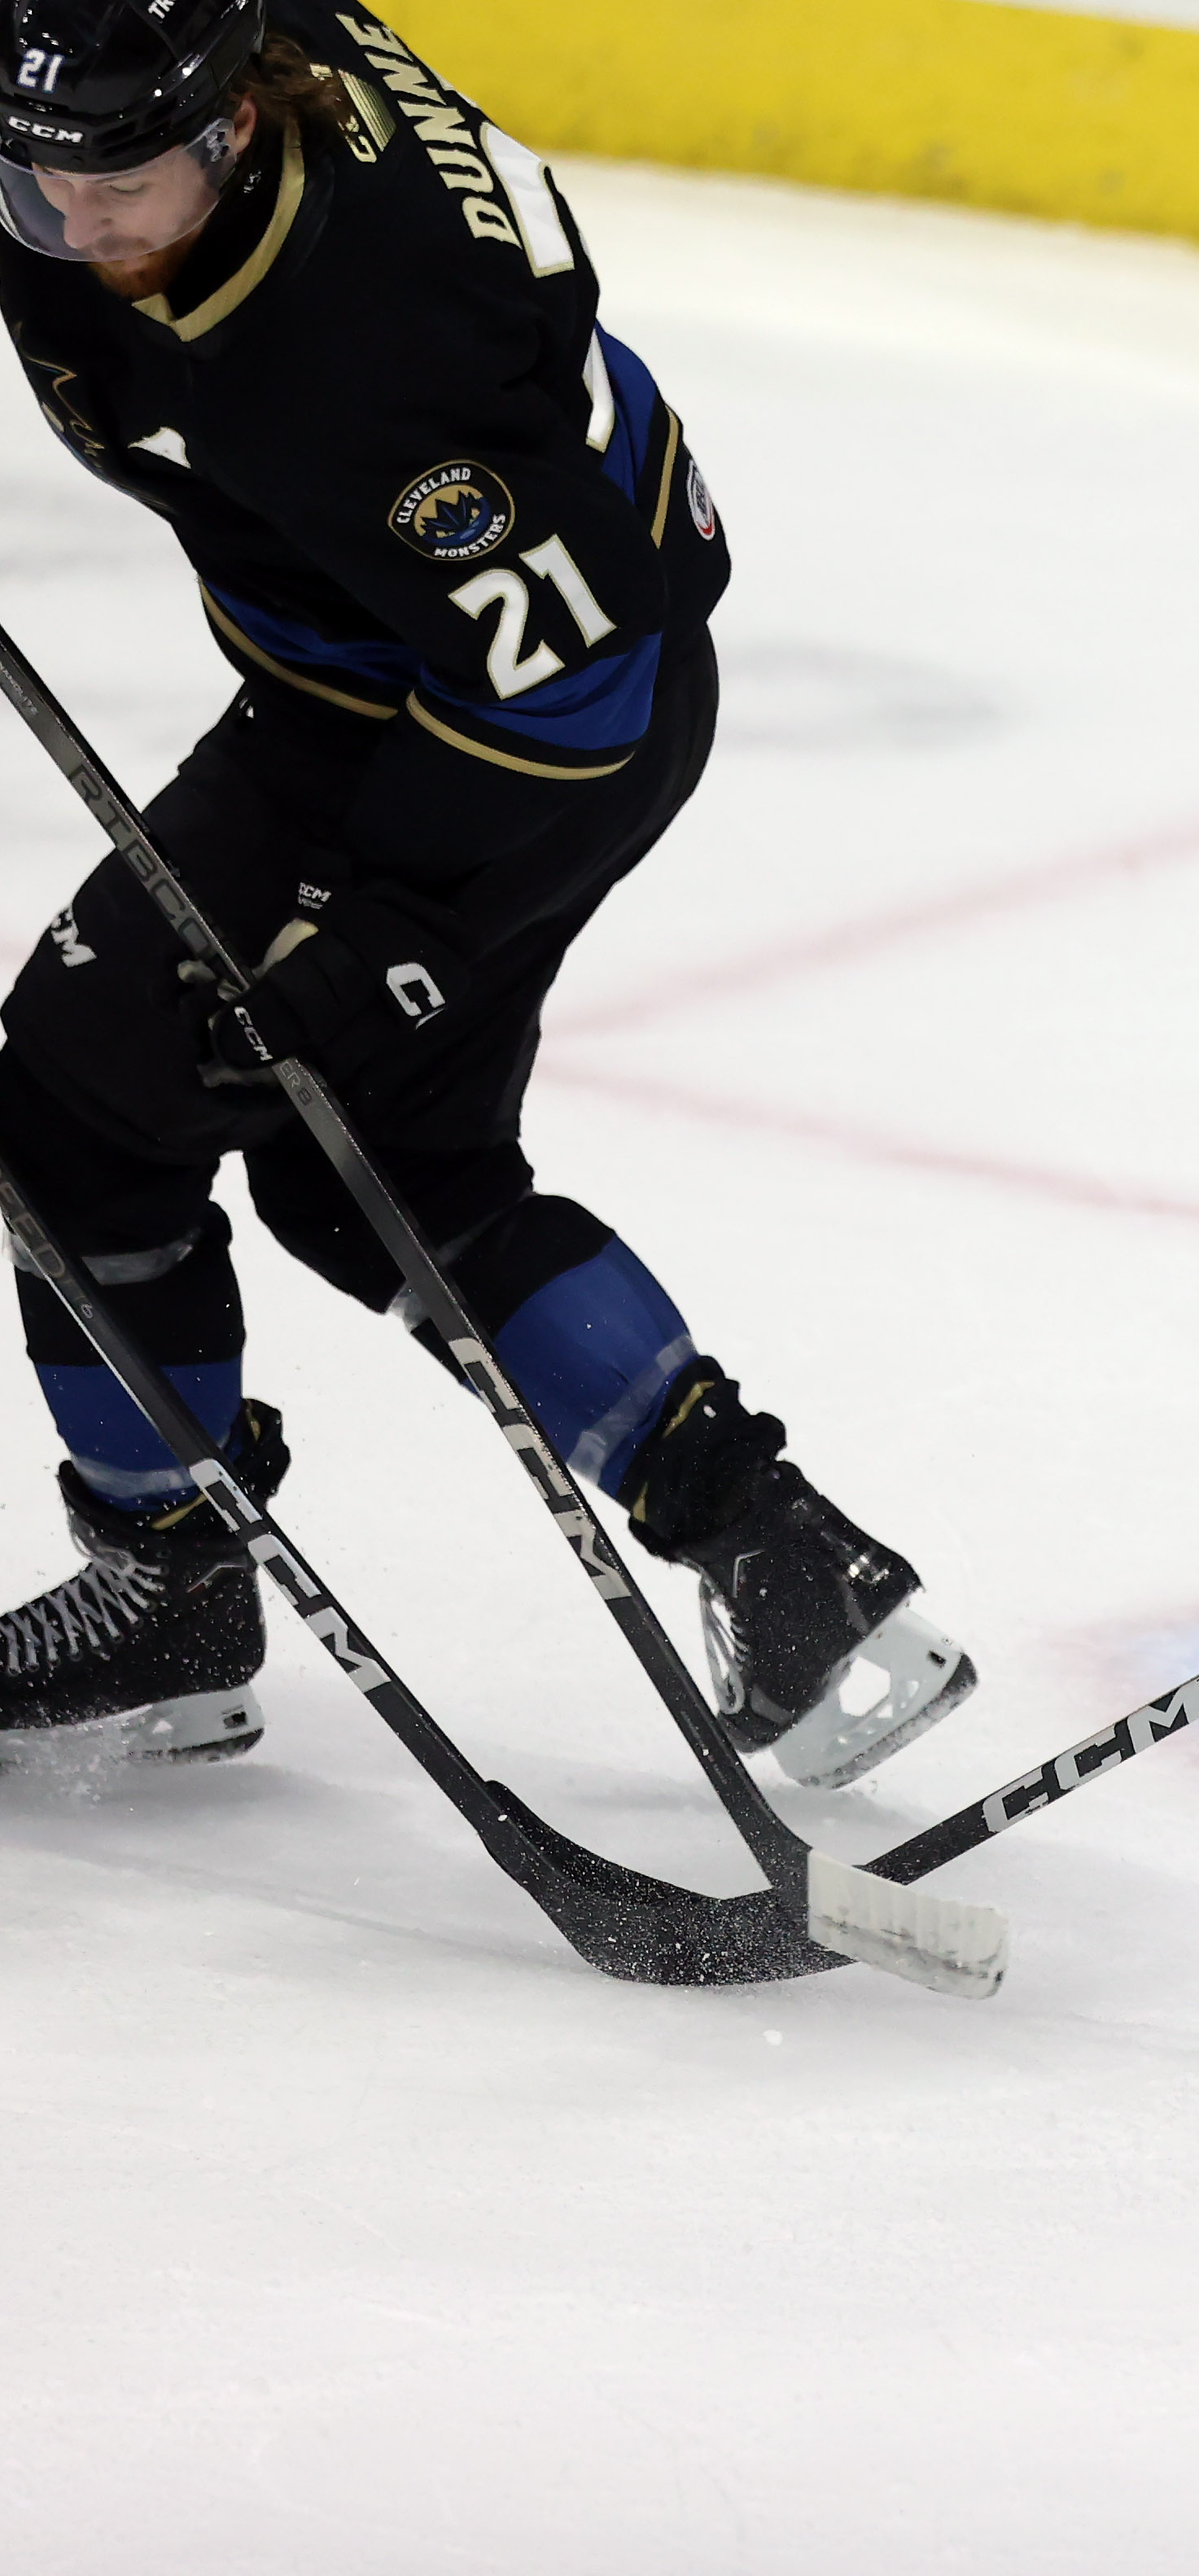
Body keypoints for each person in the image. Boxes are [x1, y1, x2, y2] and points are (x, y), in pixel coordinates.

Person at [0, 2, 973, 1787]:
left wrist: (395, 944)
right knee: (366, 1166)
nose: (72, 226)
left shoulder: (362, 345)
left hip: (508, 736)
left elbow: (572, 677)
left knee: (93, 1094)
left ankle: (168, 1584)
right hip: (404, 668)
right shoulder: (173, 81)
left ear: (228, 140)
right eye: (35, 184)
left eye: (113, 190)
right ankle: (782, 1556)